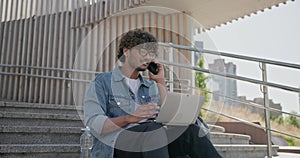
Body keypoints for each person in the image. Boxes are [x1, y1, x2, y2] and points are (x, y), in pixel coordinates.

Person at [83, 29, 222, 158]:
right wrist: (130, 118)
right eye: (143, 51)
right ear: (126, 51)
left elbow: (168, 116)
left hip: (153, 141)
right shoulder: (102, 82)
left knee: (190, 132)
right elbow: (96, 125)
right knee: (153, 130)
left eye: (151, 54)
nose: (148, 57)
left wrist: (160, 81)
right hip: (117, 146)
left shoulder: (150, 86)